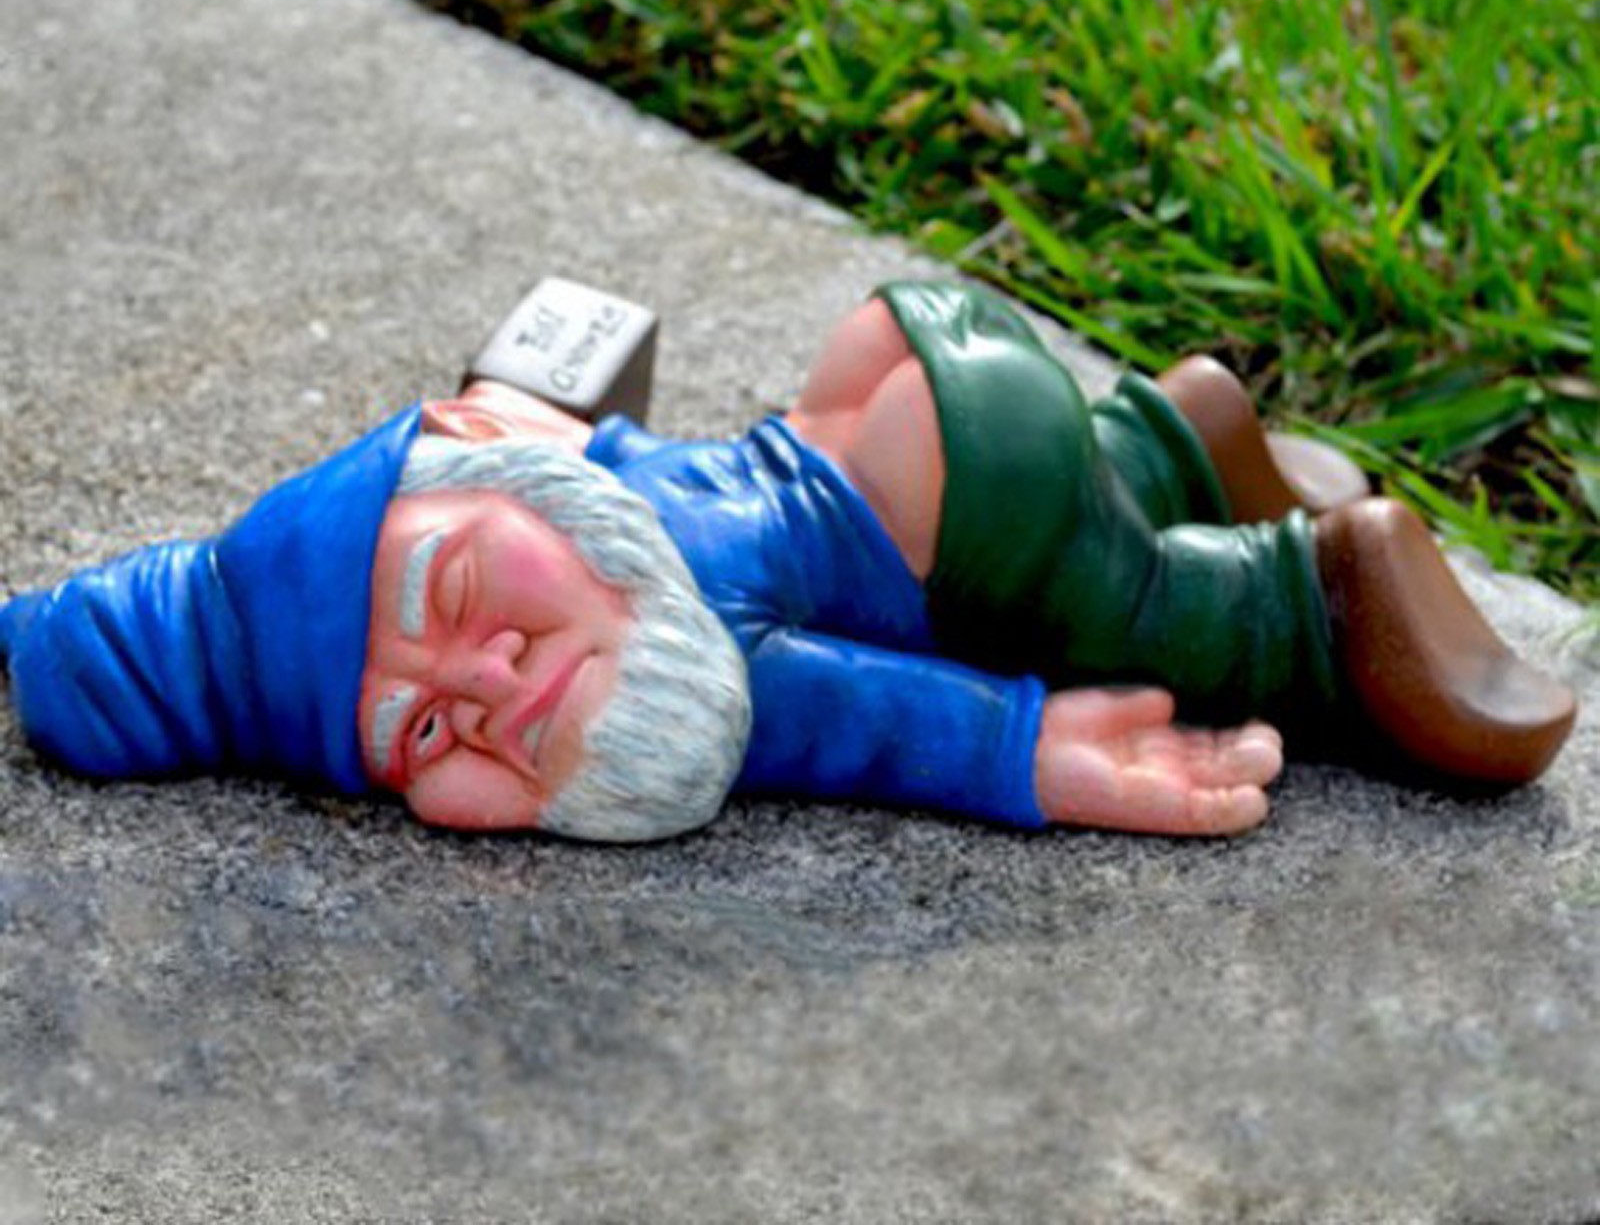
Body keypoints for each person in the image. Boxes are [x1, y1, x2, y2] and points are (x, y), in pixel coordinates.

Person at [0, 283, 1578, 842]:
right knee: (1081, 489)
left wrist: (1031, 750)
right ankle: (1177, 439)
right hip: (902, 365)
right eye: (419, 735)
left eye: (459, 599)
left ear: (484, 449)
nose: (483, 684)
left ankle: (1321, 598)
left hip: (978, 486)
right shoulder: (579, 485)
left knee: (1119, 606)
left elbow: (848, 717)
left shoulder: (684, 619)